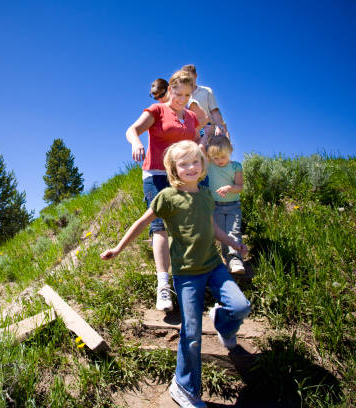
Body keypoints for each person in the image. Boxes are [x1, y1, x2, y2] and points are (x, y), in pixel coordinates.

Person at [100, 140, 251, 408]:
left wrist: (233, 243)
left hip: (214, 266)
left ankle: (223, 323)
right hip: (187, 275)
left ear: (203, 165)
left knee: (240, 306)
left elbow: (213, 228)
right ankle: (183, 386)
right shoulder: (168, 197)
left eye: (195, 162)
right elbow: (142, 222)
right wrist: (118, 248)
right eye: (184, 164)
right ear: (174, 169)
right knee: (191, 333)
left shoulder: (206, 195)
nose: (191, 167)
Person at [127, 71, 200, 312]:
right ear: (169, 90)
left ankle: (188, 280)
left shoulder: (190, 116)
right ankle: (163, 286)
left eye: (187, 95)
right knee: (159, 226)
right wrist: (136, 142)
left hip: (181, 177)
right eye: (177, 94)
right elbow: (132, 129)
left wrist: (204, 146)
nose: (181, 99)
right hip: (156, 174)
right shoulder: (157, 111)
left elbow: (196, 140)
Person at [206, 135, 245, 273]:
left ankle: (235, 259)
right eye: (215, 158)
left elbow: (239, 186)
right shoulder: (209, 165)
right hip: (215, 206)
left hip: (233, 205)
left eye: (223, 157)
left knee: (233, 231)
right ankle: (227, 259)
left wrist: (230, 188)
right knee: (222, 234)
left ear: (230, 151)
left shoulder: (235, 166)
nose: (220, 161)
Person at [181, 64, 228, 142]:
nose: (188, 79)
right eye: (185, 77)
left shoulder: (206, 91)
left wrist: (219, 127)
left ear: (195, 76)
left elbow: (214, 112)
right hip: (190, 133)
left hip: (207, 129)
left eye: (190, 76)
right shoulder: (181, 96)